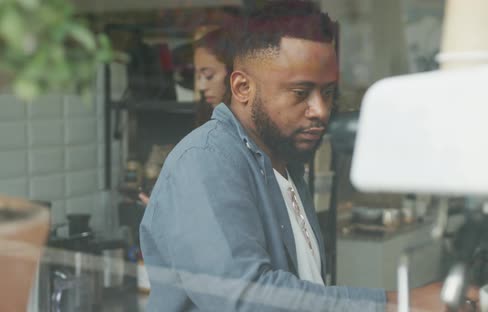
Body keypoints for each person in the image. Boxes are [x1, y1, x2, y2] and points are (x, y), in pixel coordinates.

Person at [140, 1, 449, 311]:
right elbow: (246, 299)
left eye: (327, 93)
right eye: (301, 93)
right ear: (242, 87)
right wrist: (397, 305)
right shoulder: (204, 161)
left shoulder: (285, 163)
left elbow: (303, 287)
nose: (321, 111)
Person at [138, 28, 235, 205]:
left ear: (236, 75)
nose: (200, 85)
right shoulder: (210, 128)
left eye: (208, 75)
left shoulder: (243, 137)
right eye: (196, 76)